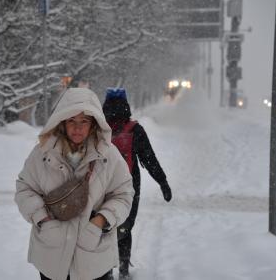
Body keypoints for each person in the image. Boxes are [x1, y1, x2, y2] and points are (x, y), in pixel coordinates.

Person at [15, 87, 134, 280]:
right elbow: (24, 189)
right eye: (71, 120)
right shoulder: (42, 153)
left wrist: (99, 223)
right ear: (62, 121)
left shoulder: (109, 155)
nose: (77, 128)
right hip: (51, 257)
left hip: (94, 257)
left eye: (84, 121)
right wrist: (43, 220)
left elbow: (123, 194)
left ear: (93, 123)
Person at [102, 88, 172, 279]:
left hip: (102, 186)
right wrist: (163, 182)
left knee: (103, 229)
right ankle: (123, 271)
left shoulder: (98, 128)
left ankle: (105, 271)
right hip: (130, 186)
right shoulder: (134, 130)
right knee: (125, 228)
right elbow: (149, 159)